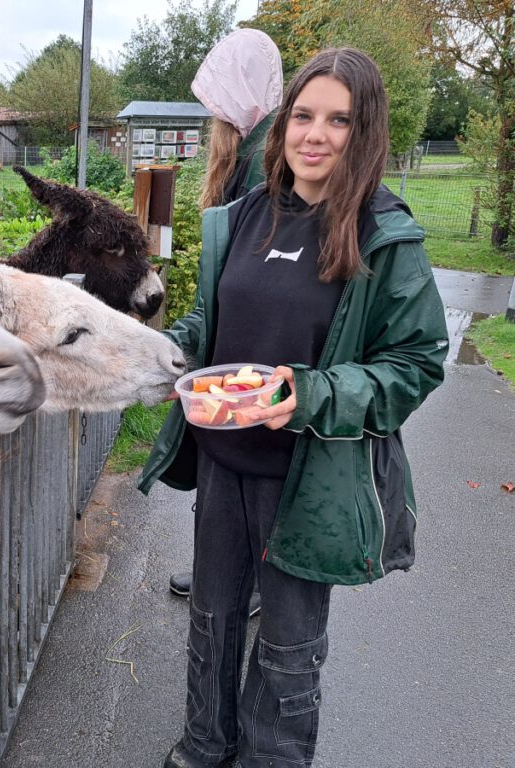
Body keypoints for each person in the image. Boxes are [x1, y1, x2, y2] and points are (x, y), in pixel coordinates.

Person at [138, 47, 448, 768]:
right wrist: (166, 352)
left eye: (338, 120)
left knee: (286, 644)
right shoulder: (243, 216)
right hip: (222, 462)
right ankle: (203, 748)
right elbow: (208, 321)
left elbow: (415, 364)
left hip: (309, 479)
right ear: (280, 127)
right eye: (302, 116)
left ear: (363, 130)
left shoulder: (384, 235)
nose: (315, 134)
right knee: (213, 622)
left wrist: (310, 394)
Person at [168, 28, 284, 615]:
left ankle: (253, 579)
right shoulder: (249, 153)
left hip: (251, 354)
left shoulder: (265, 164)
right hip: (232, 350)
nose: (211, 115)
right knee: (222, 473)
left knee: (246, 467)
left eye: (217, 100)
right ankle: (223, 566)